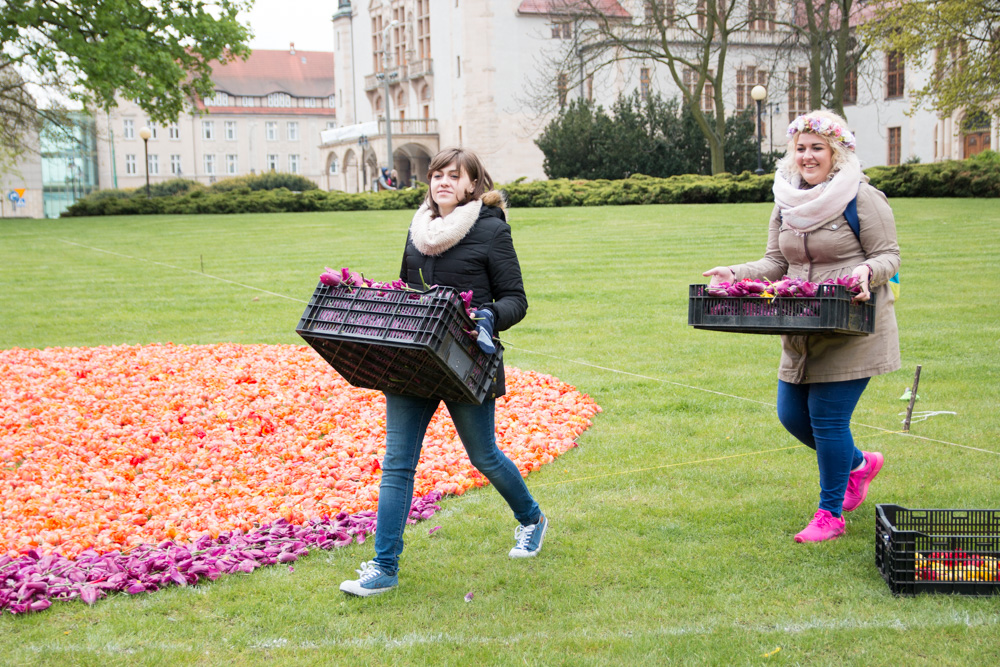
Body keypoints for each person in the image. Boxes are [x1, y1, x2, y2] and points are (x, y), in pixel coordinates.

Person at [340, 147, 547, 596]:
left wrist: (489, 316)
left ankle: (531, 518)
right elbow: (405, 291)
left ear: (473, 185)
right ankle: (384, 567)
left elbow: (516, 299)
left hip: (466, 363)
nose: (444, 182)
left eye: (455, 176)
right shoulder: (418, 231)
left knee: (484, 456)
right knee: (397, 463)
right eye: (437, 175)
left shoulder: (491, 231)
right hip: (413, 362)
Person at [702, 110, 900, 543]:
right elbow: (776, 262)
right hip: (801, 324)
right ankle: (858, 465)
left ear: (836, 153)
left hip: (852, 324)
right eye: (801, 148)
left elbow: (889, 256)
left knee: (827, 419)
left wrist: (867, 272)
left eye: (818, 148)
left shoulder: (861, 198)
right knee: (792, 415)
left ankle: (830, 514)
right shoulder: (787, 199)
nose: (808, 156)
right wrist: (733, 274)